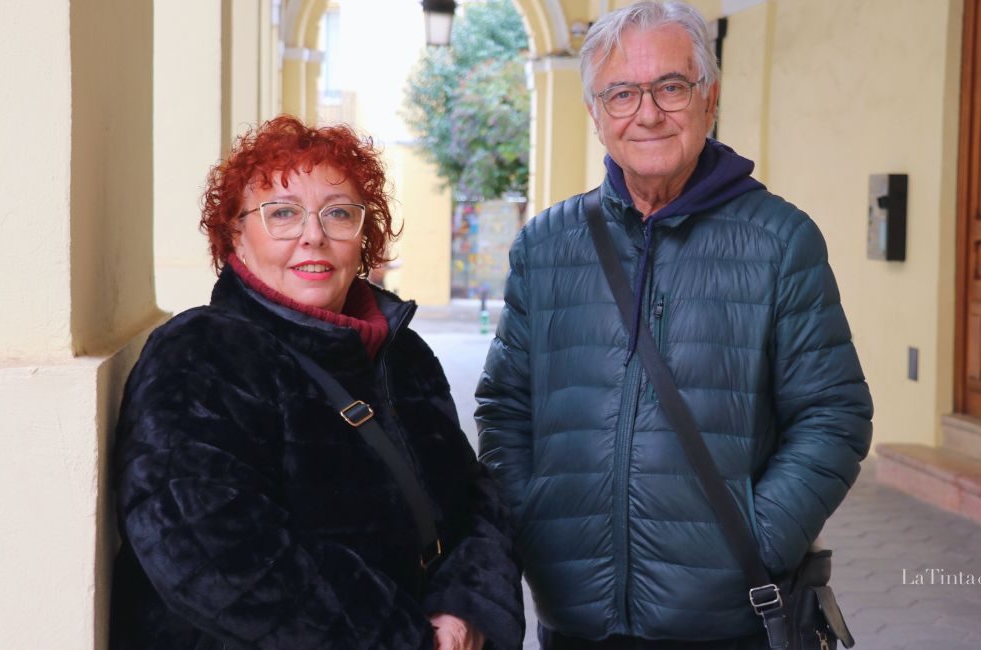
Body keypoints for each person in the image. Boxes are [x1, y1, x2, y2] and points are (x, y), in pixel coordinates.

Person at [475, 2, 874, 648]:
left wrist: (757, 536)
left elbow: (835, 413)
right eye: (622, 93)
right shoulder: (545, 246)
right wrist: (536, 523)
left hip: (727, 624)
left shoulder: (779, 241)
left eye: (670, 86)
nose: (648, 112)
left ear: (709, 99)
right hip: (576, 618)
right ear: (596, 114)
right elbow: (503, 406)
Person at [110, 115, 523, 650]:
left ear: (362, 236)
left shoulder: (404, 355)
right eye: (282, 213)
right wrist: (407, 637)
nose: (313, 235)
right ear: (236, 233)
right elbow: (211, 552)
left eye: (338, 214)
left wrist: (464, 610)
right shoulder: (200, 354)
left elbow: (476, 498)